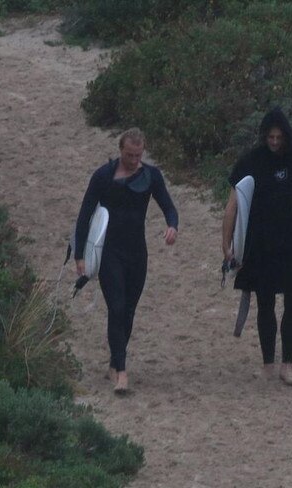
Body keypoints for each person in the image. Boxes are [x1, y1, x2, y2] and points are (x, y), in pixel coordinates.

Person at [222, 108, 292, 386]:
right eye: (270, 137)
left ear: (286, 136)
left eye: (279, 137)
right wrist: (227, 244)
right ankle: (268, 364)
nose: (274, 142)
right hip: (260, 243)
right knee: (265, 302)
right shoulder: (252, 161)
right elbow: (233, 204)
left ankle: (288, 365)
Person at [74, 128, 178, 393]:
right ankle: (121, 373)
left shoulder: (151, 176)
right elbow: (85, 215)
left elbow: (168, 205)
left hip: (137, 252)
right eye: (129, 155)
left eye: (138, 155)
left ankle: (114, 361)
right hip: (109, 252)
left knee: (129, 310)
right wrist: (79, 257)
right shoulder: (103, 176)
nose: (134, 160)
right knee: (117, 308)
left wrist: (172, 226)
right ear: (121, 150)